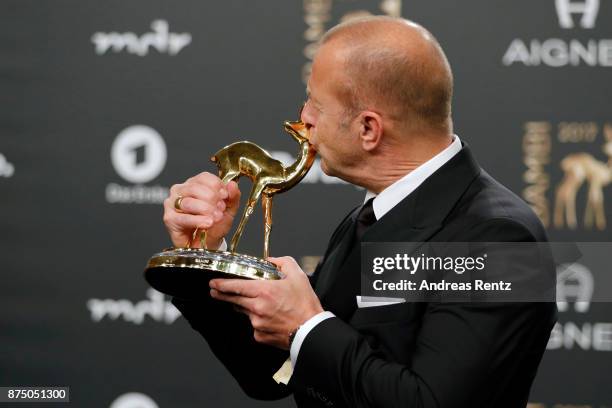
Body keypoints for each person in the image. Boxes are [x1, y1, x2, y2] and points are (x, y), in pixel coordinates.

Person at [163, 16, 556, 408]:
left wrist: (307, 326)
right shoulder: (369, 217)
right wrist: (203, 256)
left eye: (315, 104)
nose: (305, 119)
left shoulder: (498, 239)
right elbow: (272, 375)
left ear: (369, 129)